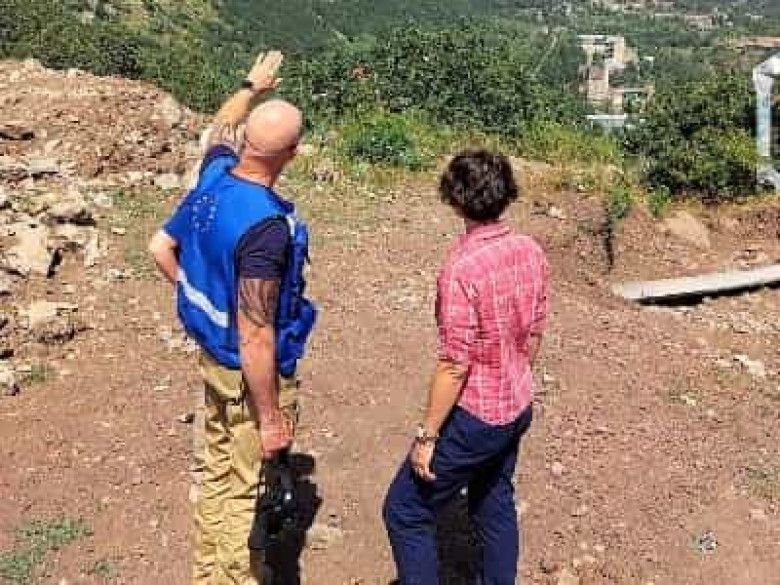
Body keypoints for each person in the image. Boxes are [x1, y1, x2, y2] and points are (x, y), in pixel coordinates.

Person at [149, 51, 317, 585]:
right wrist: (270, 418)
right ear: (291, 153)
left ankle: (208, 574)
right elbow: (256, 333)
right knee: (248, 487)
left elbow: (159, 246)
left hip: (211, 359)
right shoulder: (265, 228)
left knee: (217, 472)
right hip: (246, 374)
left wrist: (250, 86)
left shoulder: (215, 175)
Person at [383, 150, 550, 585]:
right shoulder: (530, 250)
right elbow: (533, 333)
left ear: (455, 200)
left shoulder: (461, 269)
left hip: (477, 415)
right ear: (506, 193)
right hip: (517, 404)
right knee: (494, 498)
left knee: (405, 511)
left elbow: (455, 364)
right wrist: (511, 379)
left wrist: (427, 436)